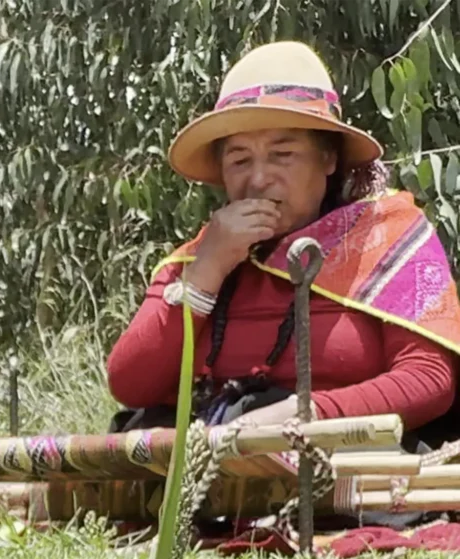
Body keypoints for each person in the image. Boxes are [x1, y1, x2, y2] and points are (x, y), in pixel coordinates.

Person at [106, 41, 460, 449]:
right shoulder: (199, 257)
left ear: (328, 161)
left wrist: (304, 413)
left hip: (349, 474)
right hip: (210, 480)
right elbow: (131, 385)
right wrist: (205, 274)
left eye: (283, 155)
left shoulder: (389, 239)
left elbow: (429, 379)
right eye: (239, 160)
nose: (258, 180)